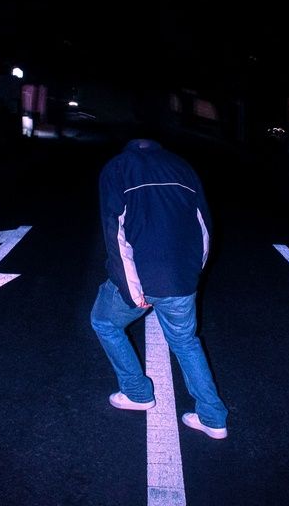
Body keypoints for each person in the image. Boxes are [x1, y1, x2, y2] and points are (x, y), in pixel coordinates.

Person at [90, 138, 228, 439]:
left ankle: (137, 393)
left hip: (143, 275)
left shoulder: (118, 168)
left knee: (104, 322)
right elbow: (204, 225)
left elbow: (115, 232)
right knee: (186, 342)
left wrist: (131, 289)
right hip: (182, 277)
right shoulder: (182, 167)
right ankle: (213, 418)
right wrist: (192, 273)